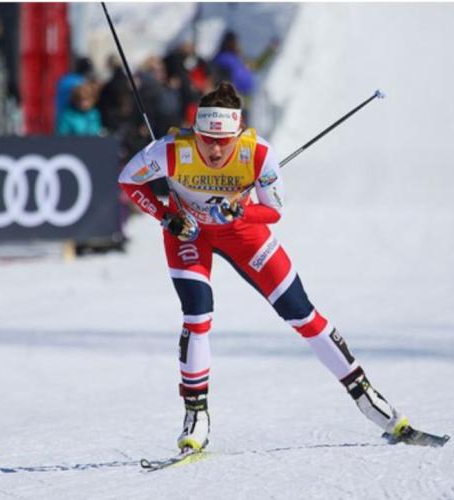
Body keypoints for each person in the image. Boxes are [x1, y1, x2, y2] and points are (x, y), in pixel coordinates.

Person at [118, 82, 414, 453]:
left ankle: (369, 398)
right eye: (206, 138)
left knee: (302, 315)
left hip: (243, 234)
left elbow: (273, 210)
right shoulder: (171, 150)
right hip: (189, 233)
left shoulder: (257, 153)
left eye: (223, 140)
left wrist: (241, 209)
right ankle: (196, 416)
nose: (213, 148)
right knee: (197, 316)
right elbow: (129, 180)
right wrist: (165, 217)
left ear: (237, 134)